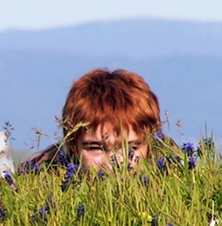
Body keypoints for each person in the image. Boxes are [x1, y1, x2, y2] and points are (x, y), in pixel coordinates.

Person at [25, 68, 169, 171]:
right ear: (72, 148)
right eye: (95, 148)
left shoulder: (177, 171)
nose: (114, 165)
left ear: (152, 146)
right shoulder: (39, 172)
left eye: (130, 148)